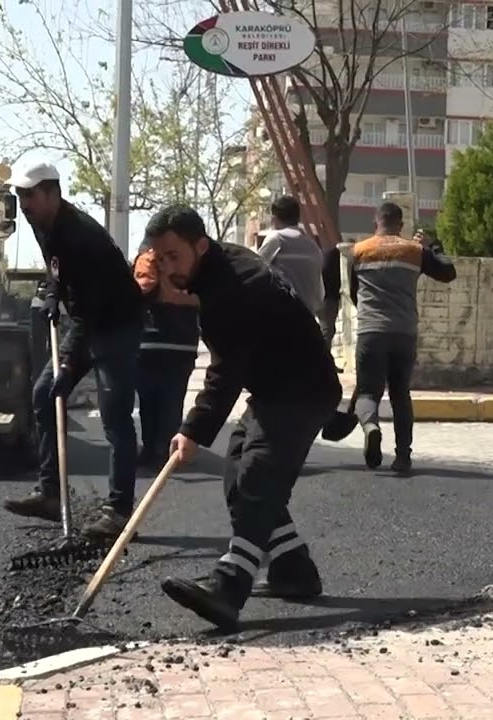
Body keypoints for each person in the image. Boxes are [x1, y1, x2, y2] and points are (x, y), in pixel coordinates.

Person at [144, 204, 341, 631]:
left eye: (173, 257)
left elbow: (225, 372)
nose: (166, 267)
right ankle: (293, 570)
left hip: (302, 390)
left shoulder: (231, 288)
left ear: (200, 246)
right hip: (275, 388)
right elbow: (231, 364)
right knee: (237, 473)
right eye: (160, 259)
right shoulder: (218, 271)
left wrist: (192, 430)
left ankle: (229, 586)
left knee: (257, 478)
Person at [1, 159, 144, 544]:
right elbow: (57, 272)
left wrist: (66, 360)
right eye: (20, 194)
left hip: (117, 325)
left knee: (115, 418)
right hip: (89, 319)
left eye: (29, 194)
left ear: (53, 193)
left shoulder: (83, 237)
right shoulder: (42, 224)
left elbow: (90, 311)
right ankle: (50, 494)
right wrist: (50, 294)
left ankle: (118, 511)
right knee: (43, 395)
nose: (23, 202)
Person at [350, 205, 457, 475]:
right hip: (404, 332)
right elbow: (448, 273)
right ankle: (403, 457)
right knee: (400, 394)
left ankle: (371, 426)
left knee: (366, 392)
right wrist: (432, 247)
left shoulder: (360, 251)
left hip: (371, 331)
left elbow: (354, 293)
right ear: (401, 223)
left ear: (376, 221)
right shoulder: (414, 251)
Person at [132, 237, 200, 470]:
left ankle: (150, 448)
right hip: (185, 342)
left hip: (152, 339)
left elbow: (143, 288)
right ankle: (166, 450)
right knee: (173, 398)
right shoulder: (193, 260)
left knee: (148, 400)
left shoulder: (149, 257)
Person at [256, 195, 324, 314]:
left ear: (274, 218)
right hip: (309, 313)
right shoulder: (312, 245)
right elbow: (320, 290)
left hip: (282, 312)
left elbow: (254, 267)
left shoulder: (277, 238)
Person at [318, 237, 342, 350]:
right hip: (328, 298)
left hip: (321, 295)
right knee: (327, 329)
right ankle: (322, 360)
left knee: (327, 329)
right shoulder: (336, 256)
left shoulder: (326, 254)